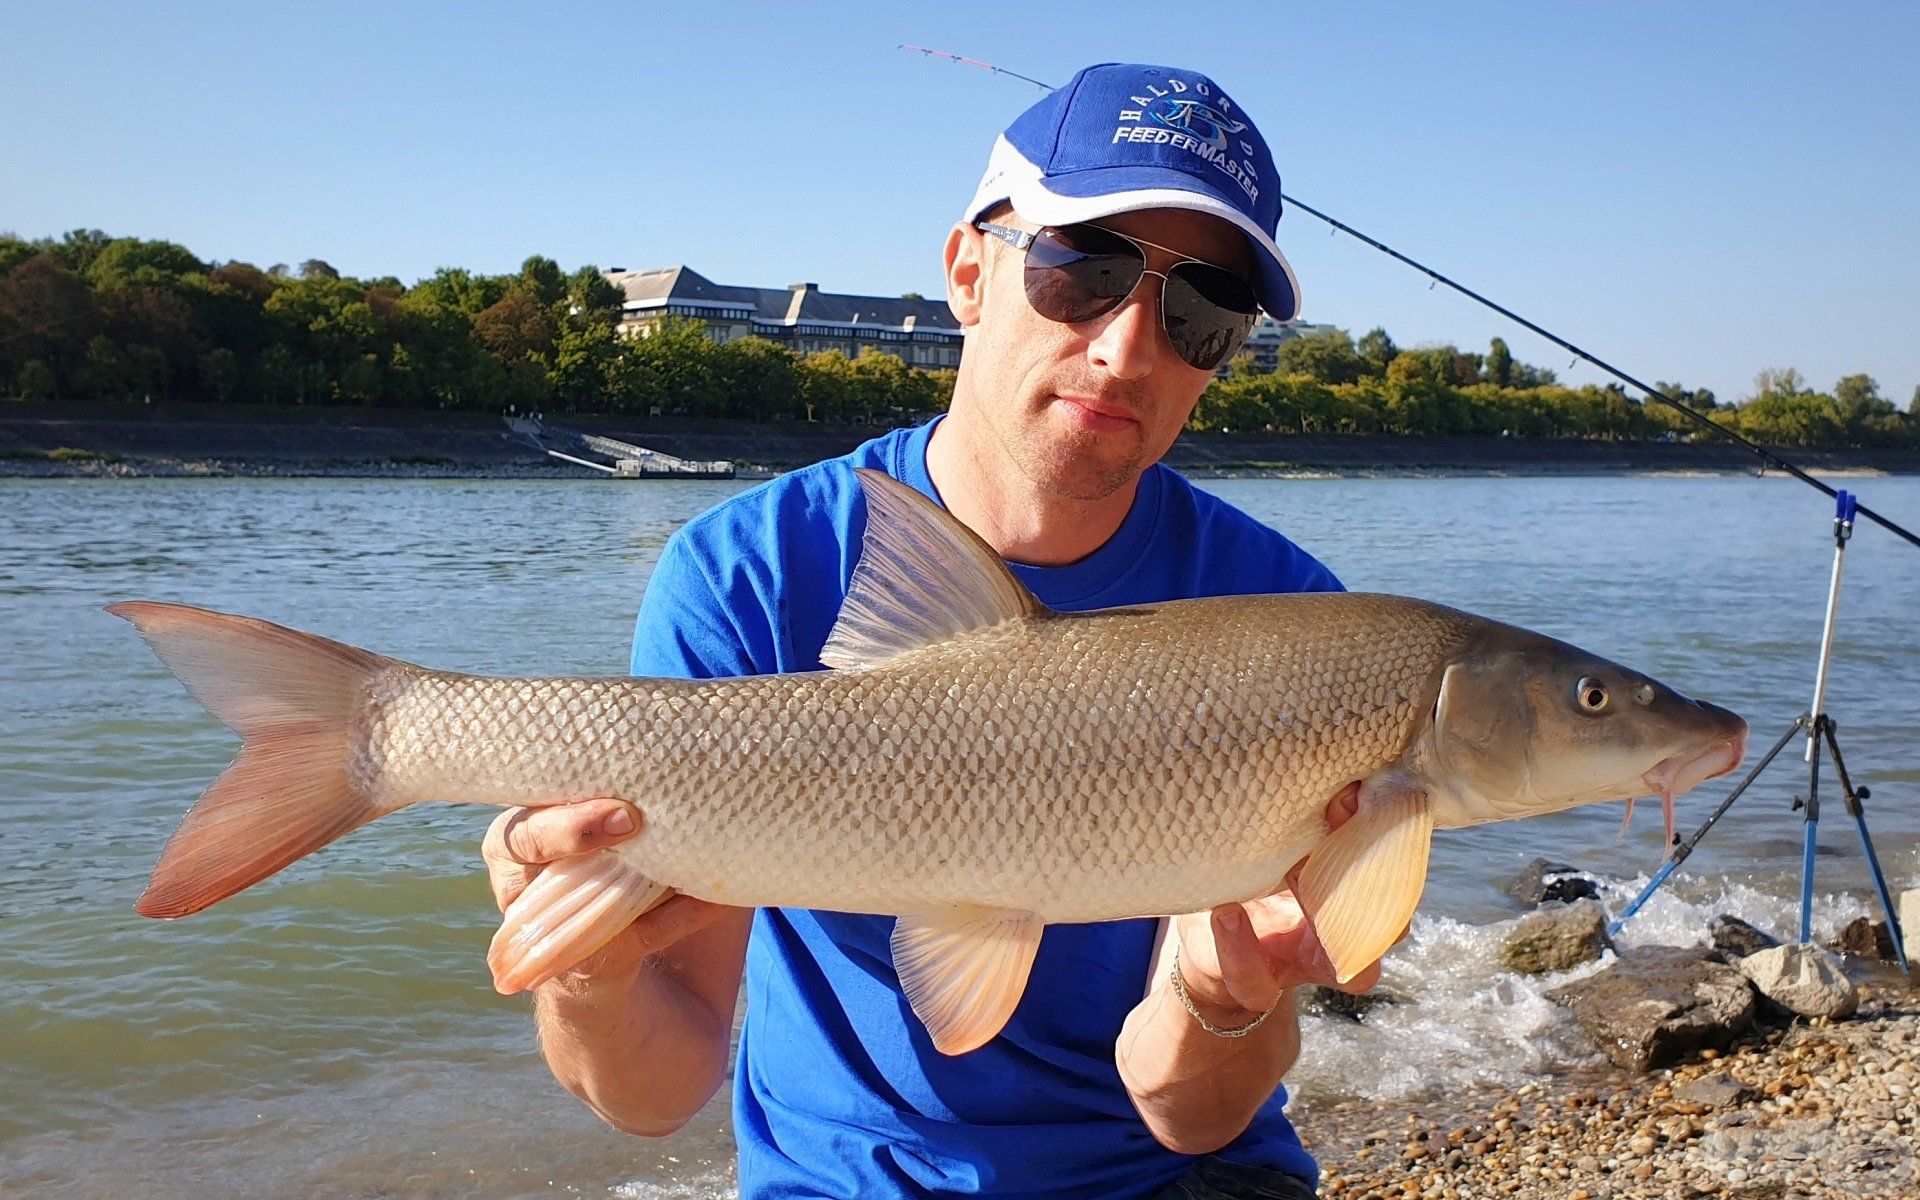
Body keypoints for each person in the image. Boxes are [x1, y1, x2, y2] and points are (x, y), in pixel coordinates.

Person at [482, 63, 1384, 1200]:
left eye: (1199, 310)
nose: (1127, 348)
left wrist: (1220, 993)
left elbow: (1191, 1115)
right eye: (1084, 269)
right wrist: (587, 975)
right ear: (970, 270)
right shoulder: (750, 572)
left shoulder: (1292, 622)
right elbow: (652, 1099)